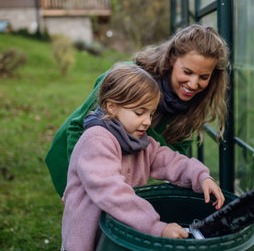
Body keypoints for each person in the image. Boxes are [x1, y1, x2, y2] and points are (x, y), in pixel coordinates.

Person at [59, 64, 225, 251]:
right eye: (139, 113)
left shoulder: (138, 141)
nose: (147, 121)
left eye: (151, 114)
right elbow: (112, 192)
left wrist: (201, 177)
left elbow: (169, 160)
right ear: (111, 107)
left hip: (115, 236)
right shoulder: (97, 141)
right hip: (86, 239)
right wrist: (157, 227)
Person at [46, 24, 229, 197]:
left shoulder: (195, 107)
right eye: (187, 72)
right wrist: (77, 184)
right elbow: (79, 126)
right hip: (73, 156)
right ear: (172, 57)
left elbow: (173, 155)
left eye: (204, 77)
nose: (193, 84)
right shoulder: (127, 78)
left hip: (117, 169)